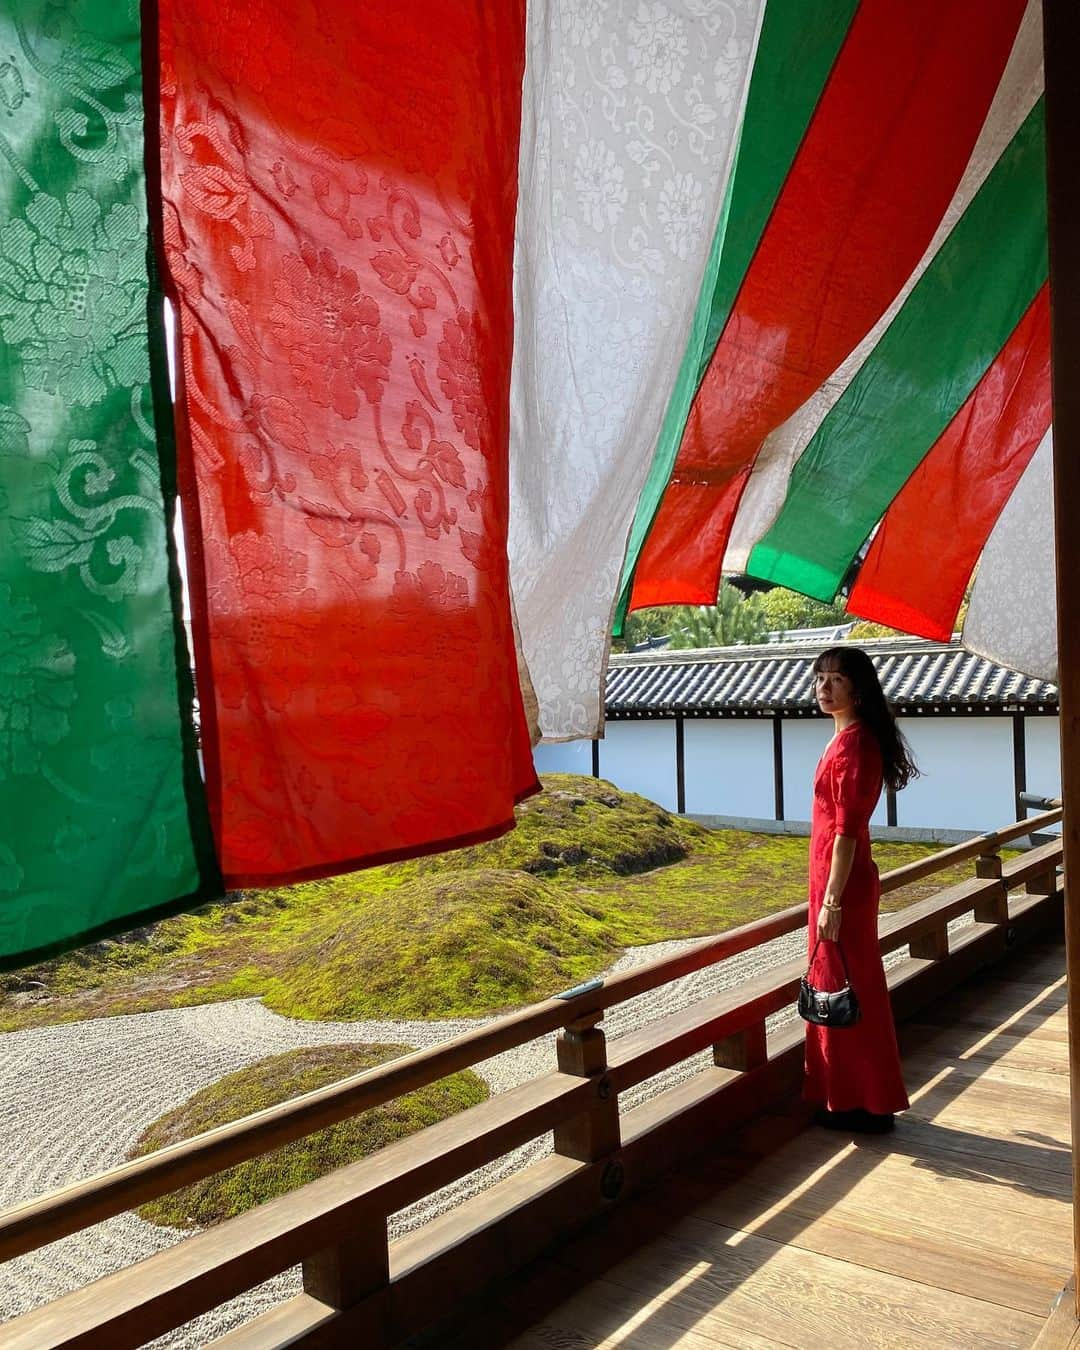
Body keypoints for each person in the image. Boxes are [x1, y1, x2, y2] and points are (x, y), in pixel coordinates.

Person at [805, 646, 918, 1133]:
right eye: (820, 678)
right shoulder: (846, 739)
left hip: (841, 885)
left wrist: (831, 900)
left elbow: (847, 829)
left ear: (858, 687)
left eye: (836, 679)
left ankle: (869, 1103)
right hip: (831, 879)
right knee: (837, 983)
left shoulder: (854, 745)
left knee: (851, 987)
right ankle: (844, 1095)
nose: (824, 688)